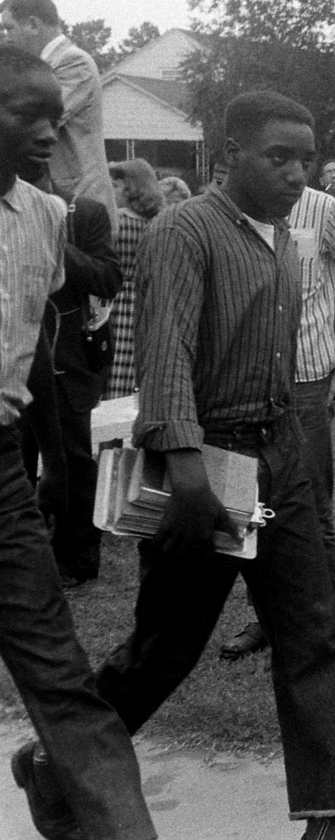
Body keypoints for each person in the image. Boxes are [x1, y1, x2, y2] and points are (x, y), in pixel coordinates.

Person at [94, 90, 335, 840]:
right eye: (278, 157)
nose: (297, 173)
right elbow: (167, 355)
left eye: (307, 159)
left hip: (281, 462)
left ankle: (333, 821)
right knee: (167, 645)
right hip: (208, 466)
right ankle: (63, 754)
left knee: (311, 630)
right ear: (228, 158)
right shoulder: (185, 231)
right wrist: (185, 473)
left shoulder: (287, 236)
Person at [0, 45, 157, 840]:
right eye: (25, 115)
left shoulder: (48, 216)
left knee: (62, 677)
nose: (45, 132)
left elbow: (101, 281)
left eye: (53, 119)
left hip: (3, 478)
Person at [220, 152, 335, 662]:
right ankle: (269, 616)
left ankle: (319, 619)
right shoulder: (225, 216)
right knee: (250, 504)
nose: (290, 172)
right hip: (246, 382)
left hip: (306, 378)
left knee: (311, 502)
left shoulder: (321, 209)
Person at [17, 137, 121, 588]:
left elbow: (109, 278)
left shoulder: (83, 214)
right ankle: (23, 558)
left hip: (66, 358)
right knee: (16, 461)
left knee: (72, 460)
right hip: (12, 361)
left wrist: (54, 241)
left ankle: (76, 557)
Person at [0, 0, 114, 223]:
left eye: (9, 28)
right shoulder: (46, 66)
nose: (5, 37)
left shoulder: (73, 62)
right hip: (58, 201)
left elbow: (29, 118)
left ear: (33, 24)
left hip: (80, 205)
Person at [106, 160, 164, 400]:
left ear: (130, 187)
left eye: (115, 186)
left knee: (114, 361)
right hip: (148, 302)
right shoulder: (159, 223)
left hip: (114, 302)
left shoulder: (116, 221)